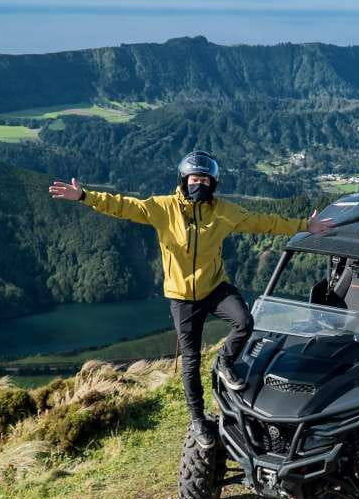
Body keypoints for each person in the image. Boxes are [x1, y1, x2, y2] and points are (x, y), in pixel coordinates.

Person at [48, 151, 334, 448]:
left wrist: (304, 225)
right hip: (182, 297)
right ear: (183, 180)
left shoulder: (223, 211)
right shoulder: (163, 208)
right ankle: (198, 420)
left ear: (214, 183)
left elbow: (262, 222)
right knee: (191, 361)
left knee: (244, 321)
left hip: (214, 288)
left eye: (206, 179)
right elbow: (123, 206)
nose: (200, 183)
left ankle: (225, 362)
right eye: (195, 179)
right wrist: (84, 196)